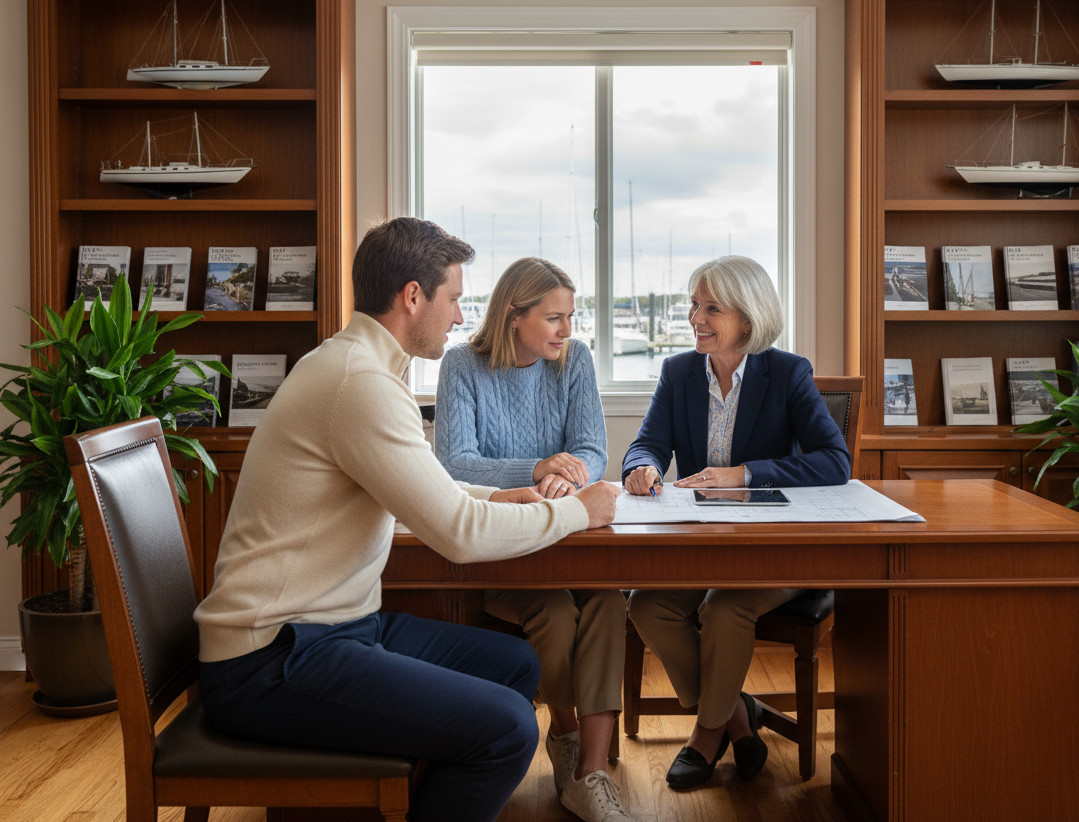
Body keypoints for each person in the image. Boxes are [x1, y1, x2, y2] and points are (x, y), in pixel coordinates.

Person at [194, 218, 620, 822]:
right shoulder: (359, 383)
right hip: (273, 657)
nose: (458, 316)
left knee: (518, 665)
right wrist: (575, 511)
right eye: (453, 299)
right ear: (412, 296)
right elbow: (456, 535)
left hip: (333, 627)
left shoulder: (358, 368)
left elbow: (432, 487)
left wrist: (502, 498)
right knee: (506, 732)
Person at [621, 255, 850, 790]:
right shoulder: (678, 372)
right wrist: (643, 466)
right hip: (705, 549)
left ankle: (706, 733)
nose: (696, 318)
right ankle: (738, 716)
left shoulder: (788, 372)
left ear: (747, 319)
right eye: (694, 306)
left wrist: (743, 474)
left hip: (779, 550)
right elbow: (647, 442)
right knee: (646, 604)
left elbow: (834, 461)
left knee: (725, 607)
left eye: (711, 308)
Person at [434, 257, 634, 822]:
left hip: (570, 537)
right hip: (499, 553)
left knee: (605, 601)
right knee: (553, 611)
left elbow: (592, 448)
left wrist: (561, 476)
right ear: (512, 315)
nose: (567, 330)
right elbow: (455, 465)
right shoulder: (460, 366)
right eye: (554, 318)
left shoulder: (574, 362)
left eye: (570, 316)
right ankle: (567, 735)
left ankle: (591, 772)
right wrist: (534, 468)